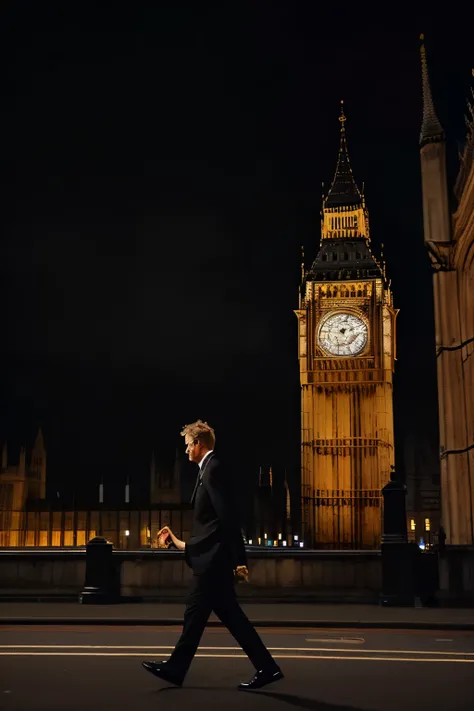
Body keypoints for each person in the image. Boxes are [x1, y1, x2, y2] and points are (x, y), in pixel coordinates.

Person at [142, 419, 283, 690]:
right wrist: (179, 542)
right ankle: (267, 667)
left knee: (195, 615)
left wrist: (240, 561)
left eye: (187, 446)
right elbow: (214, 526)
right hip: (213, 561)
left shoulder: (213, 470)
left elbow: (228, 520)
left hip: (212, 564)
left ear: (199, 444)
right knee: (229, 618)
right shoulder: (208, 470)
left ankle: (176, 668)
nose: (185, 451)